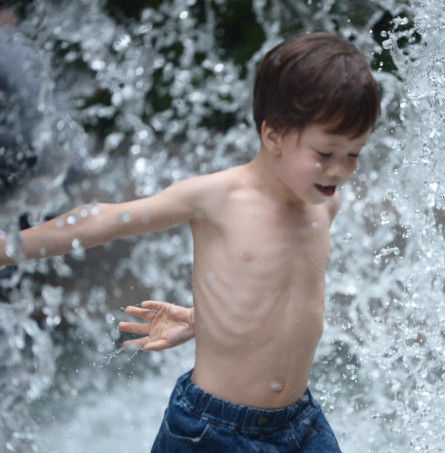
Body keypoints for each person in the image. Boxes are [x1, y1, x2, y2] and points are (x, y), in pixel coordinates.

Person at [0, 32, 380, 452]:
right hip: (214, 428)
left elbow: (279, 288)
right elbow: (105, 219)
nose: (340, 170)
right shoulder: (218, 197)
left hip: (299, 422)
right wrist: (8, 248)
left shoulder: (324, 203)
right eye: (325, 154)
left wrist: (211, 319)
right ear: (273, 136)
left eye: (354, 154)